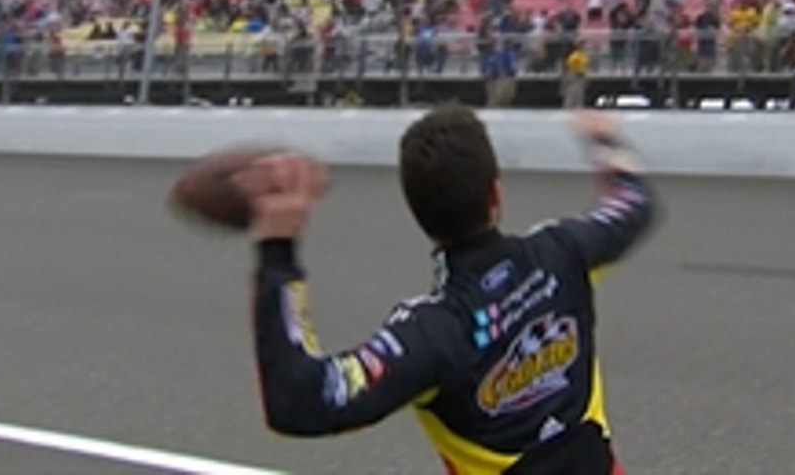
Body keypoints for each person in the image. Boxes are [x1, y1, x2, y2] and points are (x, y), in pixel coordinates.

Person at [237, 106, 658, 474]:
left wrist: (278, 250)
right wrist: (604, 138)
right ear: (496, 191)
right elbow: (633, 202)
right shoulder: (562, 252)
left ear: (419, 214)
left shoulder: (428, 335)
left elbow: (298, 400)